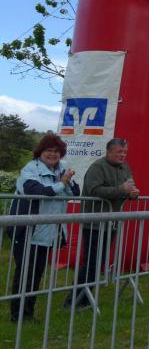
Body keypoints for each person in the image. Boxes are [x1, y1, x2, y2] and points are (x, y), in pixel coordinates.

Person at [8, 133, 79, 322]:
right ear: (40, 151)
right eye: (48, 150)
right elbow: (35, 191)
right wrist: (61, 183)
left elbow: (75, 193)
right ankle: (18, 315)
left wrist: (67, 181)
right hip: (27, 230)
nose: (52, 154)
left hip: (47, 232)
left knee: (36, 273)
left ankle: (28, 313)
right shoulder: (30, 169)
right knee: (25, 273)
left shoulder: (61, 169)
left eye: (56, 151)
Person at [65, 138, 139, 310]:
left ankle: (83, 299)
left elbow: (129, 186)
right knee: (91, 262)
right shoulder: (97, 167)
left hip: (111, 222)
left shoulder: (125, 168)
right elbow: (94, 190)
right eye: (119, 152)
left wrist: (133, 194)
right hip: (94, 223)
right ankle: (73, 301)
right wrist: (121, 190)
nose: (122, 155)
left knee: (99, 262)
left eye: (125, 152)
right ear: (109, 151)